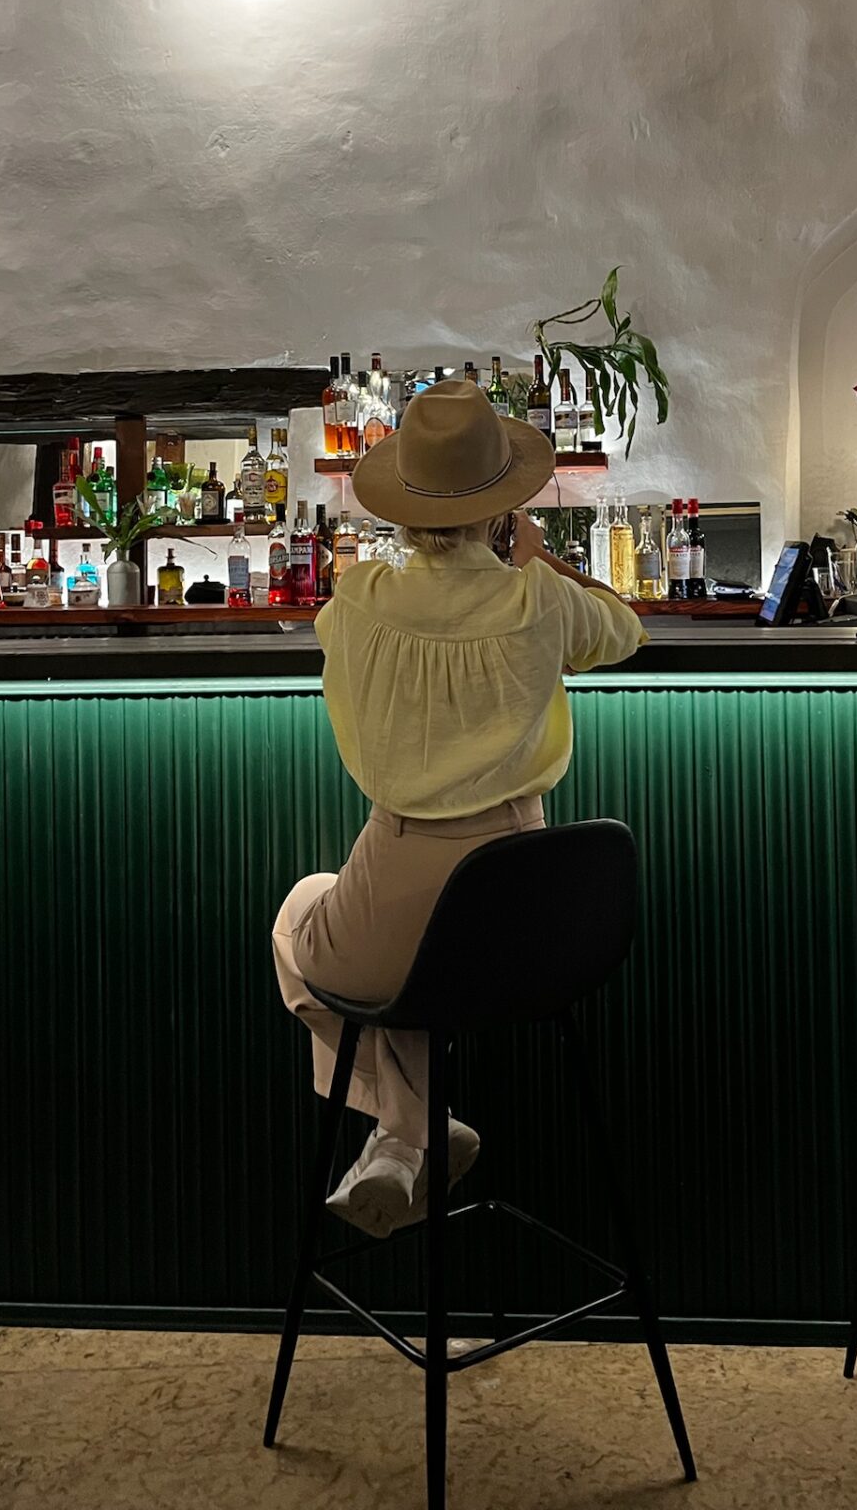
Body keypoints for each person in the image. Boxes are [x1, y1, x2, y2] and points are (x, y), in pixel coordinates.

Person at [271, 378, 645, 1238]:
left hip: (395, 888)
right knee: (410, 956)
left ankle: (407, 1127)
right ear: (503, 507)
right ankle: (412, 1132)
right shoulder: (538, 599)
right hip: (533, 921)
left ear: (403, 508)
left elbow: (329, 630)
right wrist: (536, 561)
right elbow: (625, 629)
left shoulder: (358, 599)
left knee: (304, 917)